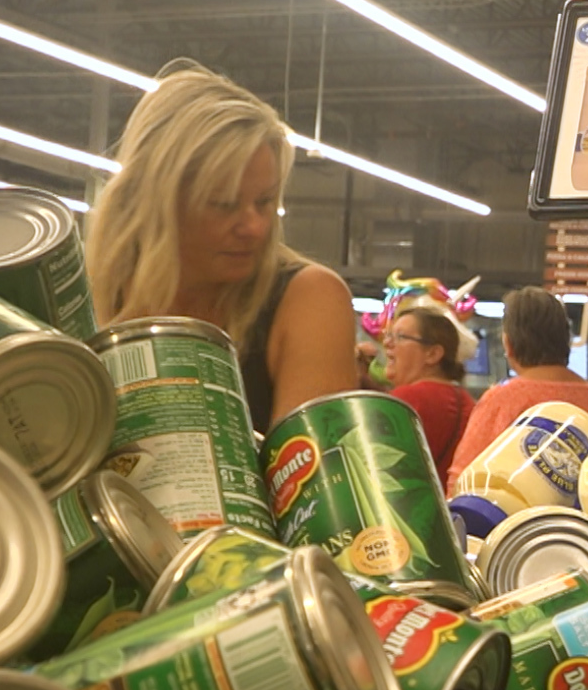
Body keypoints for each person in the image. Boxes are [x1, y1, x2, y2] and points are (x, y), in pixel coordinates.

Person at [87, 64, 356, 432]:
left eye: (264, 202)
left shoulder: (308, 299)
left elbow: (314, 481)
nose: (255, 227)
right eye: (224, 204)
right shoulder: (88, 300)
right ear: (157, 203)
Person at [447, 286, 588, 488]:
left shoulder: (501, 402)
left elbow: (462, 484)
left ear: (508, 344)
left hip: (515, 520)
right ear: (566, 341)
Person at [383, 303, 478, 472]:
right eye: (389, 335)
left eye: (400, 337)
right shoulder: (467, 402)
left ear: (433, 354)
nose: (387, 343)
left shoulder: (406, 401)